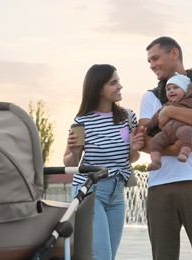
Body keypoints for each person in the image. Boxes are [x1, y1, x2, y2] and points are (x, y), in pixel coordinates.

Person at [139, 36, 192, 260]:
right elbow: (145, 142)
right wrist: (178, 146)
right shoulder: (150, 96)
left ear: (174, 54)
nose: (152, 65)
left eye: (156, 58)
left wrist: (169, 112)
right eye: (149, 61)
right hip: (160, 187)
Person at [63, 64, 145, 260]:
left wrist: (134, 148)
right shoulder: (82, 121)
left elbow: (132, 159)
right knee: (102, 256)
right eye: (114, 82)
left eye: (118, 81)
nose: (120, 86)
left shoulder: (128, 117)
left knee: (110, 255)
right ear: (99, 89)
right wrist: (74, 152)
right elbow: (69, 163)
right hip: (90, 191)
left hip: (117, 193)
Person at [145, 72, 192, 171]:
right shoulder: (166, 106)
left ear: (185, 90)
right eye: (168, 89)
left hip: (182, 128)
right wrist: (147, 127)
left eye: (175, 88)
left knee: (187, 132)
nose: (171, 91)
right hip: (166, 133)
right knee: (155, 141)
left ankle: (184, 153)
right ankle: (155, 160)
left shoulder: (191, 101)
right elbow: (155, 118)